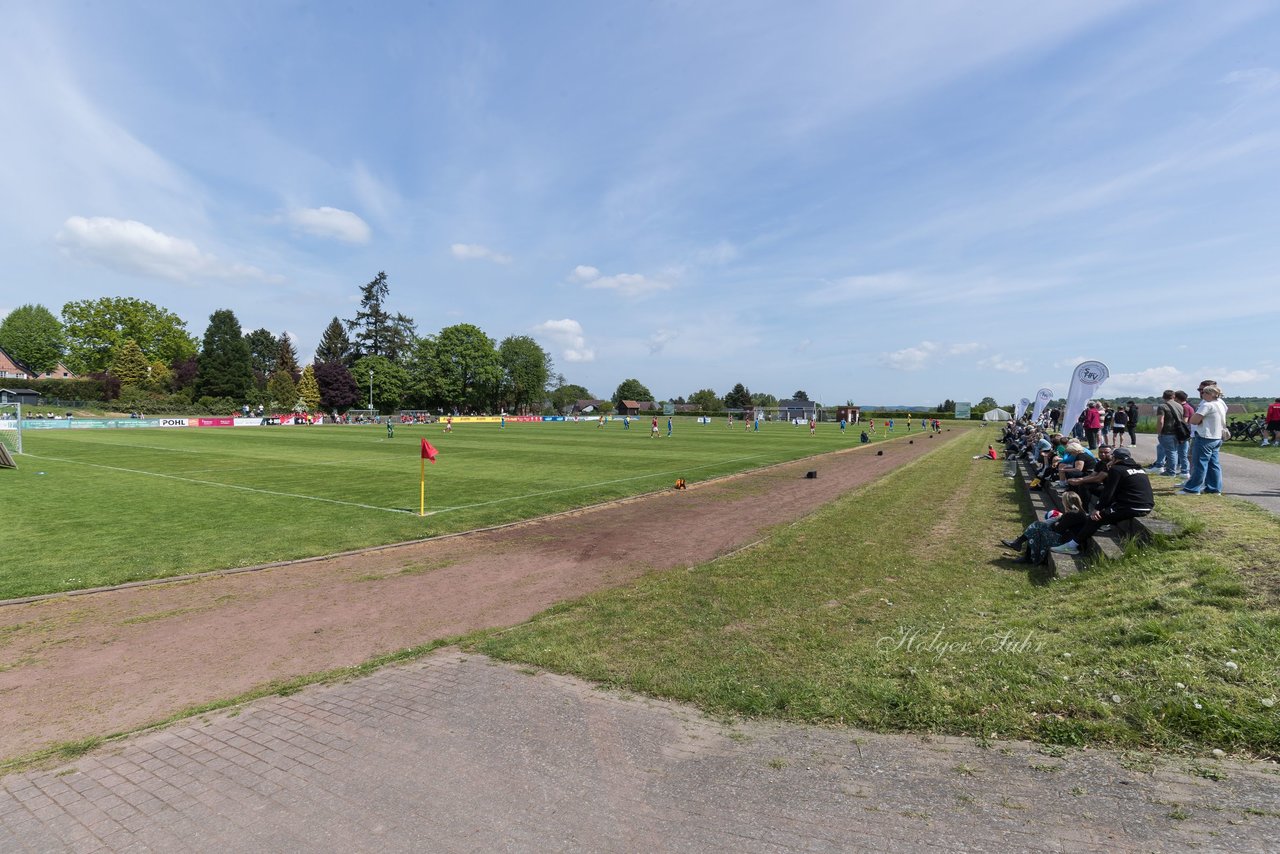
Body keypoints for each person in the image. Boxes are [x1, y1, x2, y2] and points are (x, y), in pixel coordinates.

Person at [1051, 447, 1154, 555]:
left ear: (1114, 458)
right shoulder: (1139, 468)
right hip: (1146, 505)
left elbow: (1108, 493)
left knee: (1094, 518)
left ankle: (1071, 546)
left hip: (1133, 506)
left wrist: (1097, 509)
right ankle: (1105, 521)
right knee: (1100, 515)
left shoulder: (1117, 469)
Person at [1180, 384, 1228, 495]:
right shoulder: (1220, 404)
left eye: (1204, 392)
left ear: (1210, 394)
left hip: (1205, 437)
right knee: (1213, 464)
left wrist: (1196, 417)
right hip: (1217, 437)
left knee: (1200, 464)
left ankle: (1192, 489)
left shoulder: (1207, 405)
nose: (1202, 394)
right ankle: (1214, 488)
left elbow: (1194, 420)